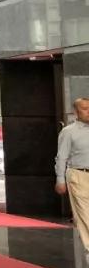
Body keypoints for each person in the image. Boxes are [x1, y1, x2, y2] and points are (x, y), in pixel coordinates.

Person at [55, 97, 89, 255]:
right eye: (85, 109)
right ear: (76, 112)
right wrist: (60, 180)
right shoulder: (68, 132)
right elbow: (61, 157)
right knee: (84, 213)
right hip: (78, 175)